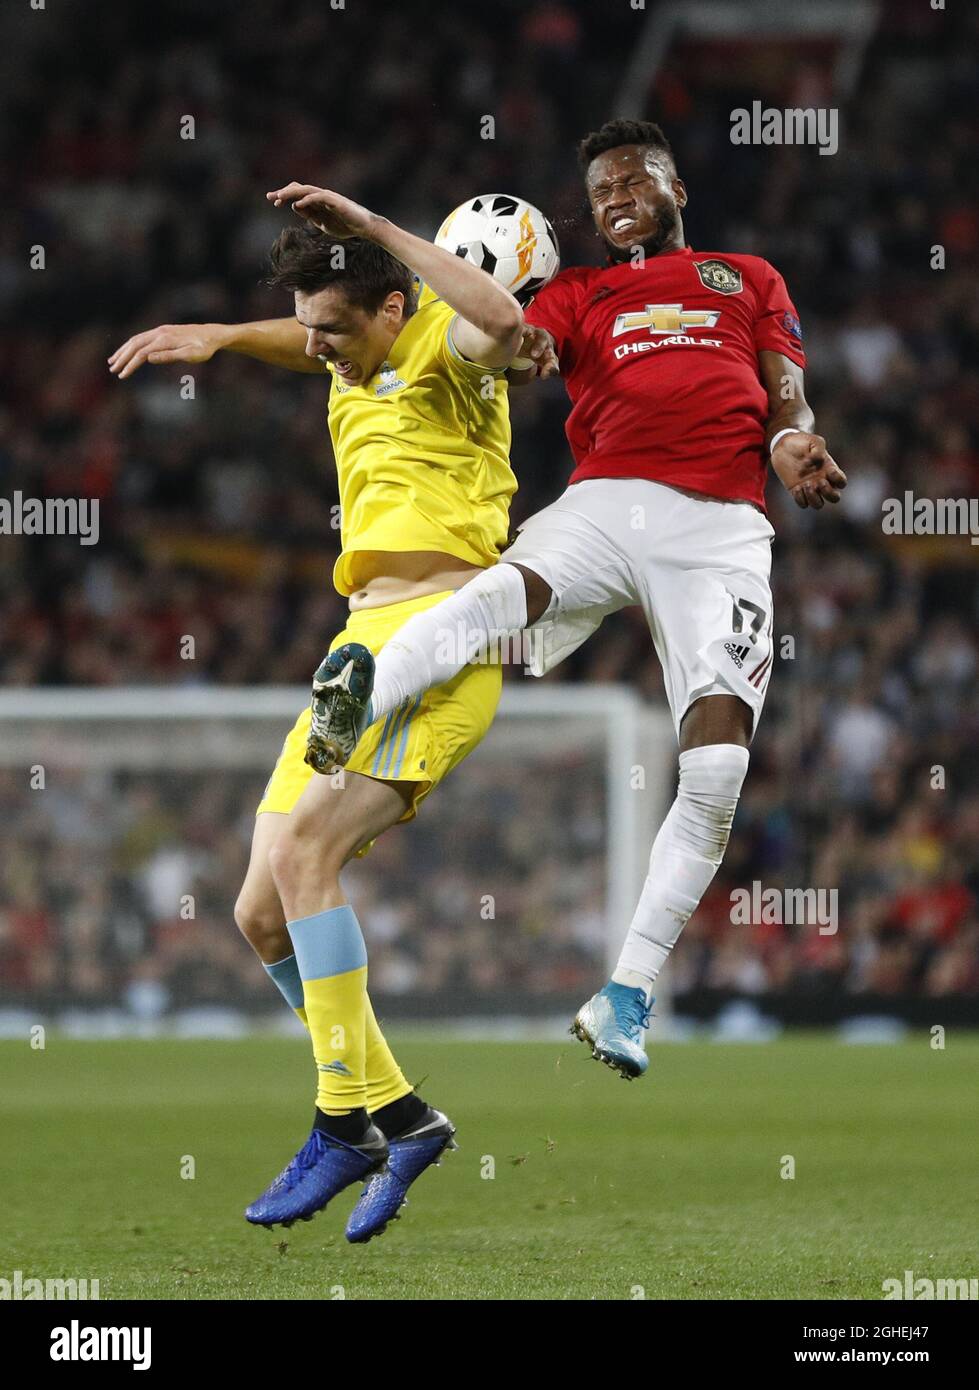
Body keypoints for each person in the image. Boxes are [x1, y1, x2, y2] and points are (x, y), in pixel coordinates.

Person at [304, 120, 847, 1080]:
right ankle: (357, 696)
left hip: (723, 528)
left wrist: (789, 442)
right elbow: (508, 344)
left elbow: (785, 397)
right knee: (492, 601)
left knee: (716, 772)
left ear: (676, 186)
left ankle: (626, 994)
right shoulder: (577, 292)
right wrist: (516, 354)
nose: (614, 196)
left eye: (632, 178)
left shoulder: (746, 277)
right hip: (607, 501)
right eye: (598, 190)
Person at [109, 181, 524, 1238]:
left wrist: (380, 230)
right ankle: (402, 1114)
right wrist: (221, 336)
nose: (319, 349)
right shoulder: (347, 350)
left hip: (443, 639)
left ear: (391, 307)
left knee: (306, 861)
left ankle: (343, 1120)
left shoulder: (445, 343)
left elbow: (503, 324)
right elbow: (308, 342)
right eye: (310, 330)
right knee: (257, 911)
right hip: (357, 643)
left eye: (335, 327)